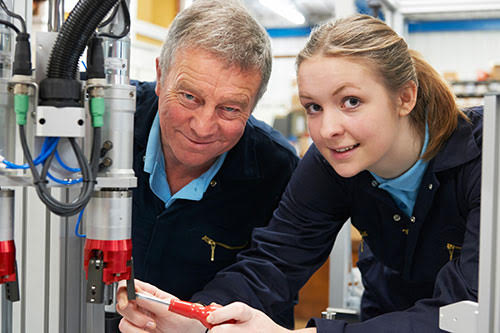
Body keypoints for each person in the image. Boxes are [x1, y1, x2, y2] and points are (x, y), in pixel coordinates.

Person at [117, 14, 481, 333]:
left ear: (405, 97)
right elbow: (273, 263)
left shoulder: (483, 158)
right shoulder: (331, 162)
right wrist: (198, 317)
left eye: (350, 102)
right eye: (314, 107)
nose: (327, 129)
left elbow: (468, 314)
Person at [127, 0, 299, 329]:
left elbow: (273, 280)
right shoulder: (105, 121)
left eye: (230, 109)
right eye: (190, 97)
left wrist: (198, 322)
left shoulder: (276, 169)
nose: (203, 126)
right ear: (161, 75)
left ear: (254, 105)